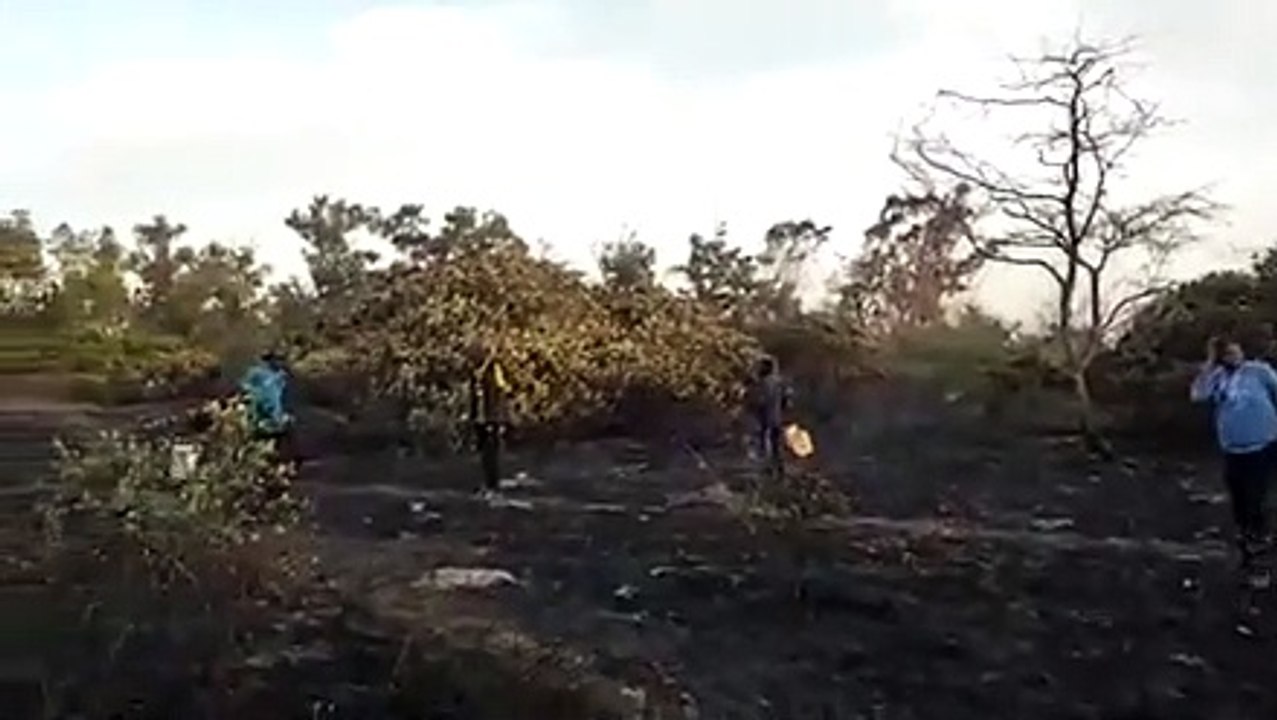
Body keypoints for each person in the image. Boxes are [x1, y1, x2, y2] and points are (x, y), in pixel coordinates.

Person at [1190, 335, 1277, 589]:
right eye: (1227, 354)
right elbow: (1197, 395)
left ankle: (1260, 564)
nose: (1233, 356)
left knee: (1256, 503)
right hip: (1232, 450)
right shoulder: (1216, 377)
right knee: (1240, 507)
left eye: (1236, 351)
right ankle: (1247, 555)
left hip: (1263, 446)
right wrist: (1208, 365)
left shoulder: (1258, 372)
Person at [468, 342, 510, 494]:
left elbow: (501, 391)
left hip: (492, 416)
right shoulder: (475, 371)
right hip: (480, 417)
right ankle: (487, 483)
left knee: (492, 453)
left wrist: (499, 417)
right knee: (484, 454)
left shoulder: (494, 368)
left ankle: (493, 485)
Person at [239, 350, 294, 463]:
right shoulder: (256, 372)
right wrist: (254, 393)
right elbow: (244, 386)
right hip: (259, 412)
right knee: (259, 436)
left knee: (281, 435)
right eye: (277, 359)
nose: (279, 362)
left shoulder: (282, 375)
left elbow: (285, 394)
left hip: (276, 413)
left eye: (281, 360)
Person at [747, 355, 792, 480]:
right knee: (777, 446)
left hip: (764, 419)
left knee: (764, 445)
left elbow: (758, 401)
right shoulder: (781, 382)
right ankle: (779, 470)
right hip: (777, 418)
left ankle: (767, 471)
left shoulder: (762, 384)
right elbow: (787, 400)